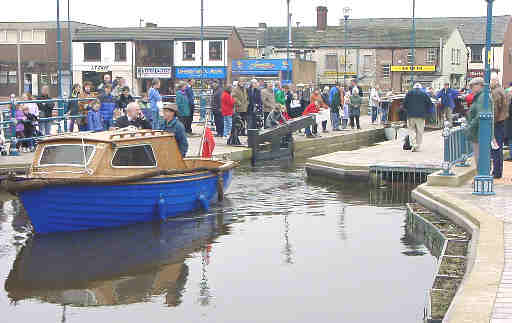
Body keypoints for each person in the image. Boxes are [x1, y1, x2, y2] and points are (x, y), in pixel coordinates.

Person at [466, 77, 493, 169]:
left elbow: (480, 114)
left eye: (472, 86)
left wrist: (470, 126)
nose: (471, 88)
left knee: (479, 156)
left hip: (478, 132)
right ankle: (482, 174)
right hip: (479, 132)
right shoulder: (481, 97)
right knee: (480, 155)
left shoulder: (482, 98)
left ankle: (481, 175)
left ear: (479, 86)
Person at [404, 83, 432, 152]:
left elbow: (404, 104)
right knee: (420, 131)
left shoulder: (409, 93)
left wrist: (408, 110)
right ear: (420, 88)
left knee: (411, 130)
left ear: (413, 87)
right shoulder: (424, 94)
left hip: (411, 115)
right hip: (421, 116)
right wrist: (426, 111)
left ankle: (413, 144)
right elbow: (430, 104)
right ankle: (418, 146)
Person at [490, 74, 508, 179]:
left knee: (496, 147)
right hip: (502, 121)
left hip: (497, 123)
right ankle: (498, 171)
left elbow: (495, 109)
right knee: (498, 148)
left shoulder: (496, 92)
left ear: (494, 81)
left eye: (490, 81)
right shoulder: (502, 90)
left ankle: (496, 172)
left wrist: (492, 121)